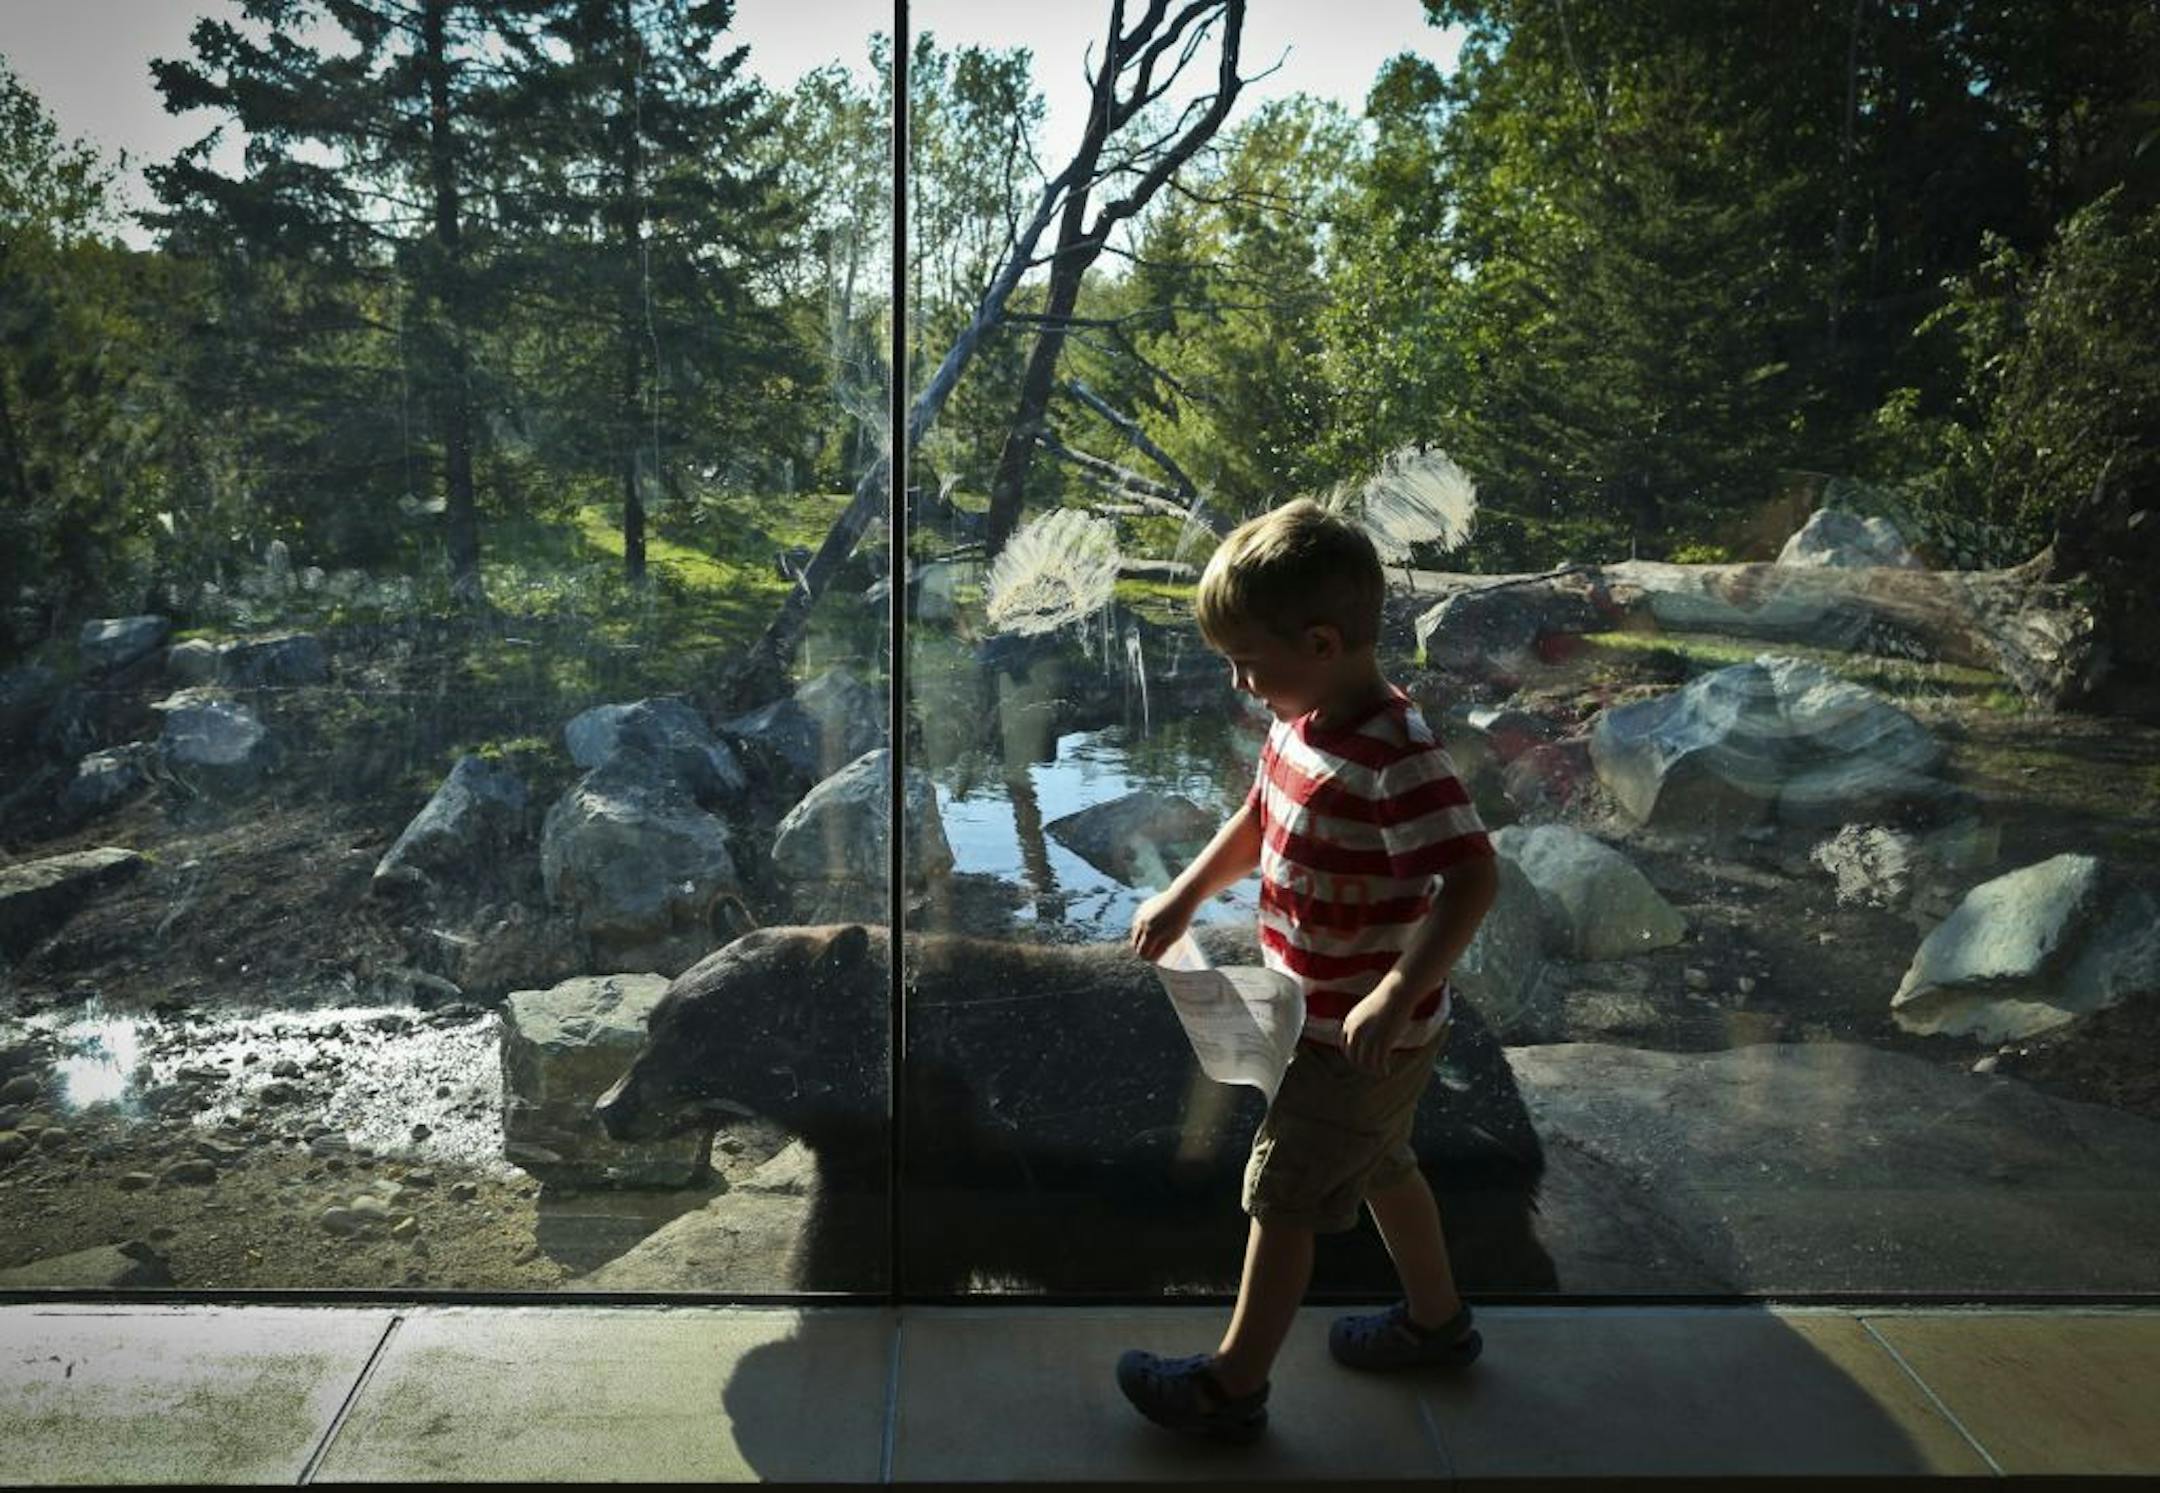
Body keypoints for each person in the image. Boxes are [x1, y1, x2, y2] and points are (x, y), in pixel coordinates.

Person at [1116, 497, 1501, 1445]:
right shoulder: (1302, 721)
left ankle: (1231, 1386)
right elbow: (1259, 818)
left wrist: (1396, 990)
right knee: (1384, 1164)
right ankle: (1438, 1322)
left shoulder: (1396, 753)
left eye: (1248, 661)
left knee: (1282, 1195)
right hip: (1316, 1015)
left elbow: (1472, 876)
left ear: (1322, 642)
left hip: (1358, 1030)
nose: (1241, 682)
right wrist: (1184, 895)